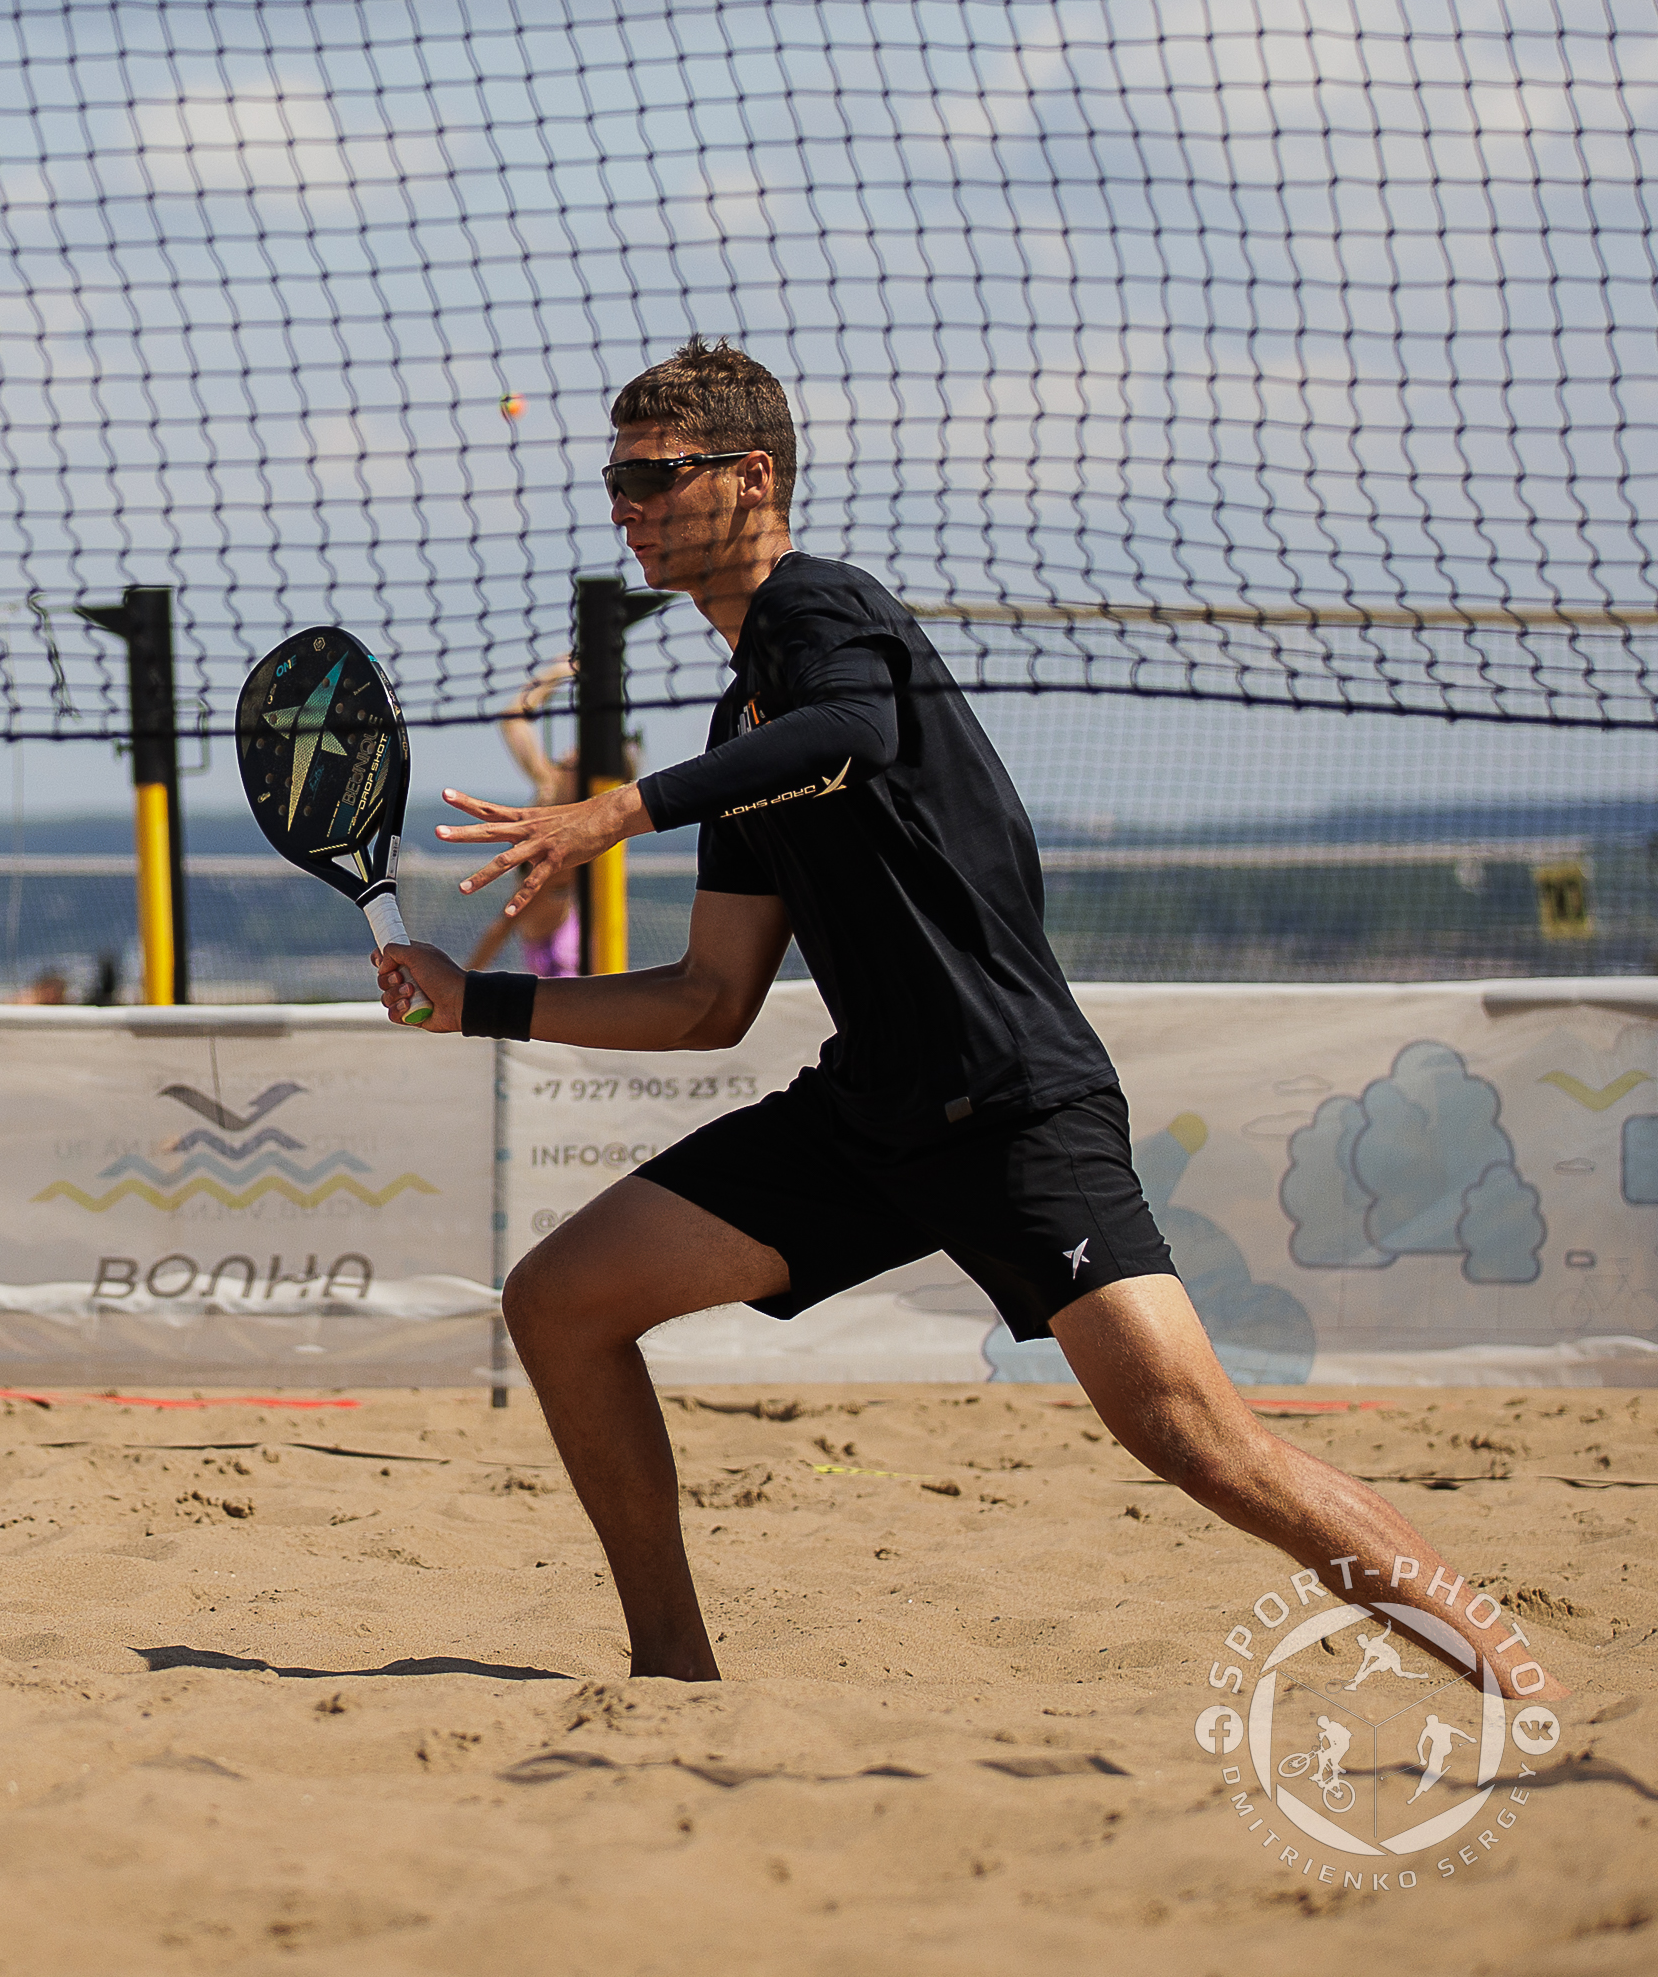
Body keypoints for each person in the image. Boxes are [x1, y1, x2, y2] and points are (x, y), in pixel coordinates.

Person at [373, 339, 1566, 1702]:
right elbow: (710, 1003)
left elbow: (855, 733)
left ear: (750, 478)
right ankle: (673, 1678)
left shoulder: (820, 612)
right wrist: (482, 1005)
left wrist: (619, 810)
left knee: (1199, 1440)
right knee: (562, 1301)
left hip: (1008, 1102)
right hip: (869, 1113)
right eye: (615, 480)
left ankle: (1517, 1687)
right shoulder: (744, 709)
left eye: (653, 475)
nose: (626, 505)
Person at [464, 660, 584, 977]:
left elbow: (505, 924)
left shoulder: (582, 822)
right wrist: (557, 672)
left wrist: (463, 981)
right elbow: (512, 719)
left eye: (578, 755)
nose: (570, 750)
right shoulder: (551, 785)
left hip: (561, 953)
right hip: (547, 944)